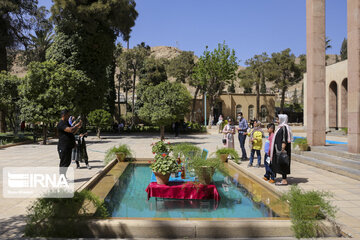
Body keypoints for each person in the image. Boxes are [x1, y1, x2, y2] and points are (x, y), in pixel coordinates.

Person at [57, 109, 82, 176]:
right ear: (64, 115)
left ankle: (64, 176)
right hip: (63, 146)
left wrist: (78, 127)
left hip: (68, 146)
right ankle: (62, 178)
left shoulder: (67, 123)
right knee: (64, 163)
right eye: (68, 115)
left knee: (67, 162)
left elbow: (73, 132)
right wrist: (76, 125)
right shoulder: (61, 124)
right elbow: (70, 130)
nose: (69, 116)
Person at [270, 114, 293, 186]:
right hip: (278, 149)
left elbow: (284, 139)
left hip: (281, 150)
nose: (277, 120)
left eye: (278, 119)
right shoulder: (281, 127)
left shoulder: (284, 128)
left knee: (283, 163)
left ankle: (284, 180)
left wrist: (282, 149)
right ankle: (282, 179)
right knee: (280, 163)